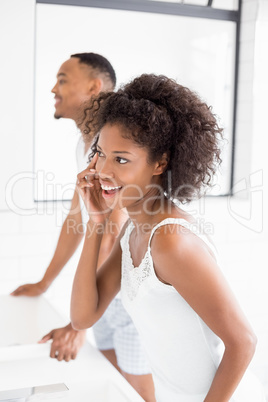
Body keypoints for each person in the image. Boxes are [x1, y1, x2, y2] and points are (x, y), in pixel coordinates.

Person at [71, 74, 266, 401]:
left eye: (121, 159)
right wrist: (96, 221)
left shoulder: (170, 241)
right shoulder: (134, 230)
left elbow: (243, 342)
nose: (103, 170)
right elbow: (82, 316)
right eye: (100, 153)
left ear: (160, 163)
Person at [11, 54, 155, 401]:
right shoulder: (88, 147)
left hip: (129, 287)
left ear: (94, 86)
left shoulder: (119, 147)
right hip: (107, 292)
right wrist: (46, 282)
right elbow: (79, 219)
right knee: (113, 387)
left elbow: (115, 231)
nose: (53, 88)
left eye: (62, 79)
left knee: (137, 392)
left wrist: (80, 322)